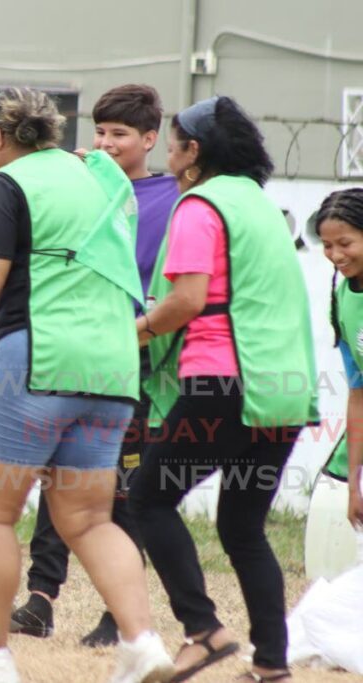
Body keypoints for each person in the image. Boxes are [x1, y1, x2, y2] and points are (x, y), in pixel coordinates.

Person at [0, 88, 172, 683]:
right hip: (113, 365)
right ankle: (143, 645)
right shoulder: (99, 179)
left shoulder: (7, 184)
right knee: (90, 519)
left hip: (38, 357)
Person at [129, 96, 318, 683]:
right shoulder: (260, 207)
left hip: (223, 383)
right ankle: (271, 665)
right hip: (281, 392)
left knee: (147, 499)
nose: (167, 152)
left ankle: (204, 631)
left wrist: (127, 336)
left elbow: (184, 300)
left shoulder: (199, 204)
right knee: (242, 527)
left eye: (173, 142)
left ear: (195, 153)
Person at [11, 84, 179, 646]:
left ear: (150, 139)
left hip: (135, 360)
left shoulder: (173, 199)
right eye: (99, 132)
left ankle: (117, 616)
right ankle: (40, 598)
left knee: (124, 490)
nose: (105, 144)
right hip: (70, 347)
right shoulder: (79, 185)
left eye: (120, 134)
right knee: (56, 476)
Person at [317, 188, 363, 534]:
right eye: (327, 245)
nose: (335, 255)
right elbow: (358, 395)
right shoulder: (342, 298)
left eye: (345, 243)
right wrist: (353, 484)